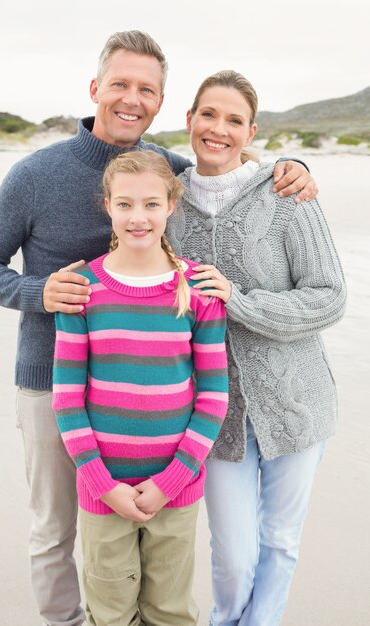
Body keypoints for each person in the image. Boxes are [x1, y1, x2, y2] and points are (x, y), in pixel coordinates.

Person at [0, 29, 317, 626]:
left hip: (151, 391)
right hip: (55, 379)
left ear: (159, 102)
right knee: (56, 529)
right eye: (120, 83)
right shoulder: (33, 174)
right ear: (95, 87)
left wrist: (293, 165)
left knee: (157, 567)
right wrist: (38, 292)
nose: (131, 98)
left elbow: (229, 169)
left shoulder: (163, 170)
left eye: (146, 89)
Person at [165, 69, 347, 626]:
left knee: (280, 542)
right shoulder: (168, 203)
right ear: (190, 120)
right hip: (213, 415)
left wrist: (239, 301)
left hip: (296, 404)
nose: (218, 129)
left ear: (251, 132)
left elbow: (330, 297)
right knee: (234, 556)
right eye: (209, 115)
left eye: (234, 120)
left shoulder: (284, 192)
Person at [52, 150, 229, 625]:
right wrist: (101, 483)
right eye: (125, 204)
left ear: (172, 204)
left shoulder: (196, 291)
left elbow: (214, 395)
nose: (138, 217)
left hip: (175, 487)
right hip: (102, 489)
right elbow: (67, 399)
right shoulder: (82, 289)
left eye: (151, 204)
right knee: (109, 612)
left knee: (170, 610)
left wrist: (171, 482)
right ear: (108, 205)